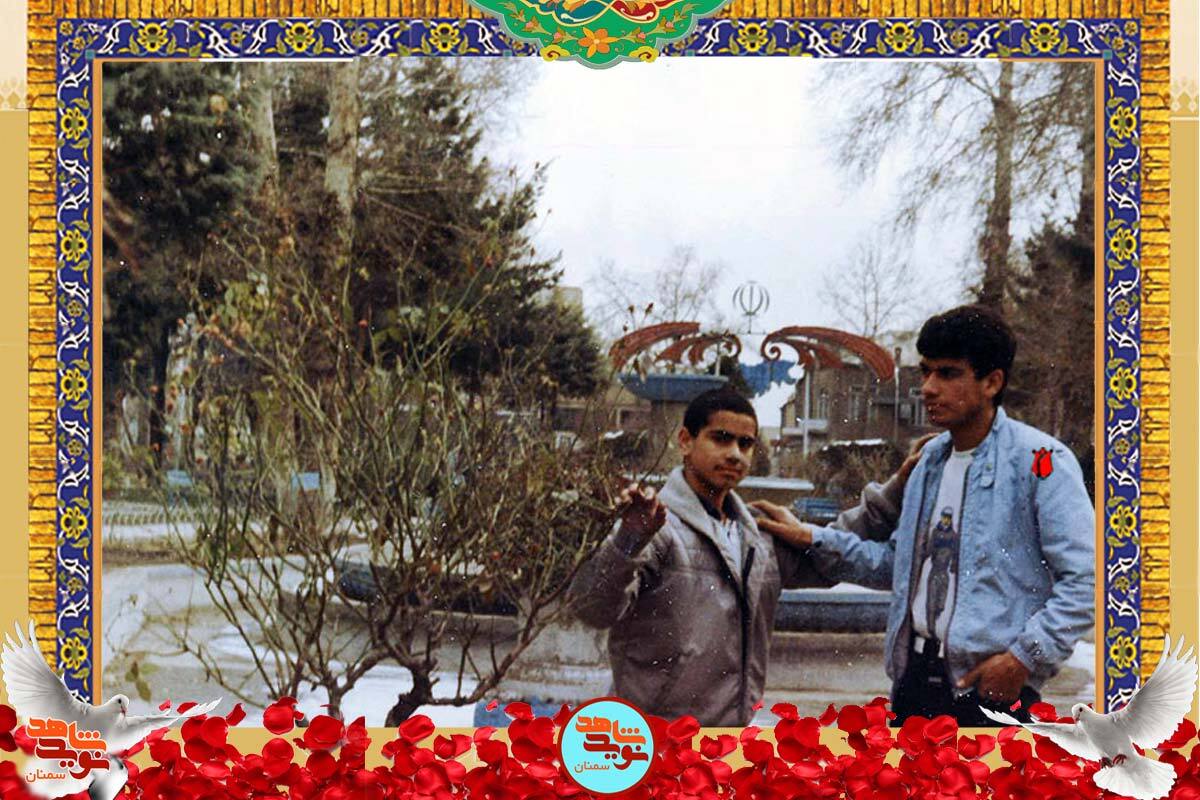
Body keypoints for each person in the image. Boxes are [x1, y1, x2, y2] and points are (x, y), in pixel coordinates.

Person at [753, 305, 1095, 726]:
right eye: (925, 372)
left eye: (947, 374)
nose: (928, 388)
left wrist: (1023, 659)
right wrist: (812, 537)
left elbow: (1086, 581)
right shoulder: (929, 461)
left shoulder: (1040, 460)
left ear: (992, 382)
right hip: (914, 682)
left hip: (991, 691)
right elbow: (896, 566)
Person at [569, 389, 928, 726]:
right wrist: (629, 540)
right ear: (685, 441)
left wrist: (898, 487)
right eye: (721, 439)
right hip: (655, 734)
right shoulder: (655, 525)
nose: (735, 454)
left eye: (745, 444)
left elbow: (833, 551)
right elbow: (593, 610)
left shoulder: (756, 533)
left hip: (730, 737)